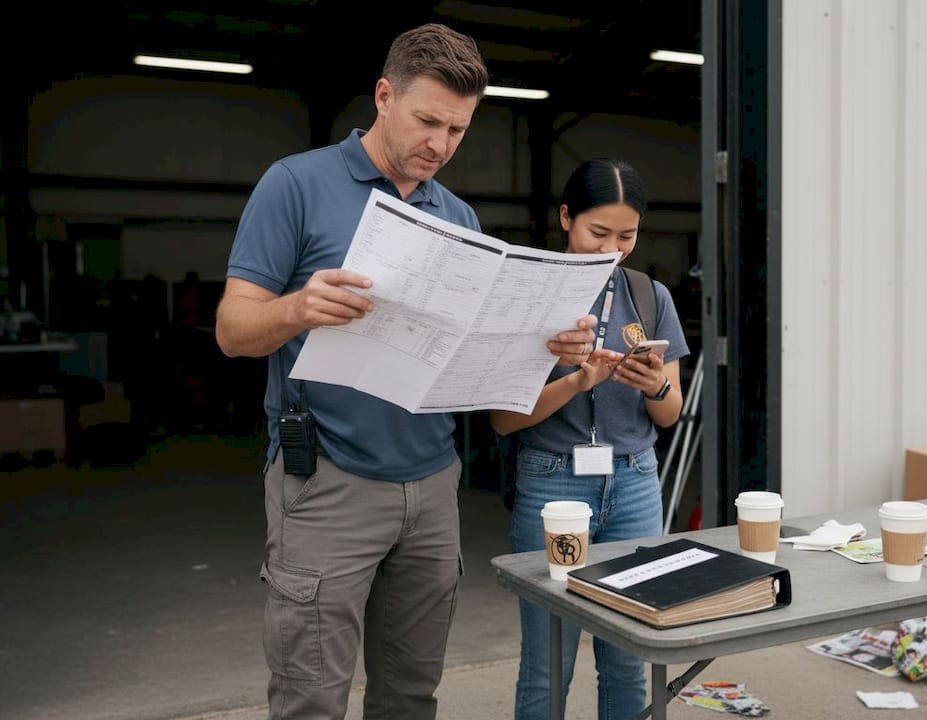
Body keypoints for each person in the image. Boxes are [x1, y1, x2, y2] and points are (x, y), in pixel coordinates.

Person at [214, 24, 598, 720]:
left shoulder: (457, 215)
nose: (440, 145)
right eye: (427, 121)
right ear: (384, 97)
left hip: (431, 484)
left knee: (410, 697)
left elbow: (475, 358)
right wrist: (299, 307)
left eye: (457, 129)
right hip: (326, 483)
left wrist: (548, 345)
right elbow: (232, 330)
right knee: (311, 698)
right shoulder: (296, 186)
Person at [489, 158, 691, 720]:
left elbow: (671, 414)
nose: (613, 248)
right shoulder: (526, 296)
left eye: (627, 236)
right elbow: (504, 421)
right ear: (565, 218)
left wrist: (654, 386)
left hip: (634, 484)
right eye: (597, 233)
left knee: (630, 654)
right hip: (553, 486)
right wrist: (578, 380)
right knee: (549, 658)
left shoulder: (650, 297)